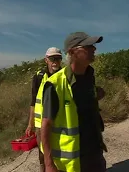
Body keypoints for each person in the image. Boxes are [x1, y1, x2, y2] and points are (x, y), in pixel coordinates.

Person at [40, 32, 106, 172]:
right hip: (72, 161)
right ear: (72, 52)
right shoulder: (55, 84)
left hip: (94, 153)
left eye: (93, 46)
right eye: (88, 46)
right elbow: (45, 125)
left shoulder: (89, 77)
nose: (94, 49)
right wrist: (49, 163)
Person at [25, 47, 63, 172]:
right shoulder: (39, 77)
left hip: (60, 123)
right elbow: (33, 101)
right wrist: (30, 124)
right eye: (52, 59)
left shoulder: (64, 76)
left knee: (61, 152)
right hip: (41, 124)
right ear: (46, 60)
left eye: (58, 58)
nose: (55, 62)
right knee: (43, 154)